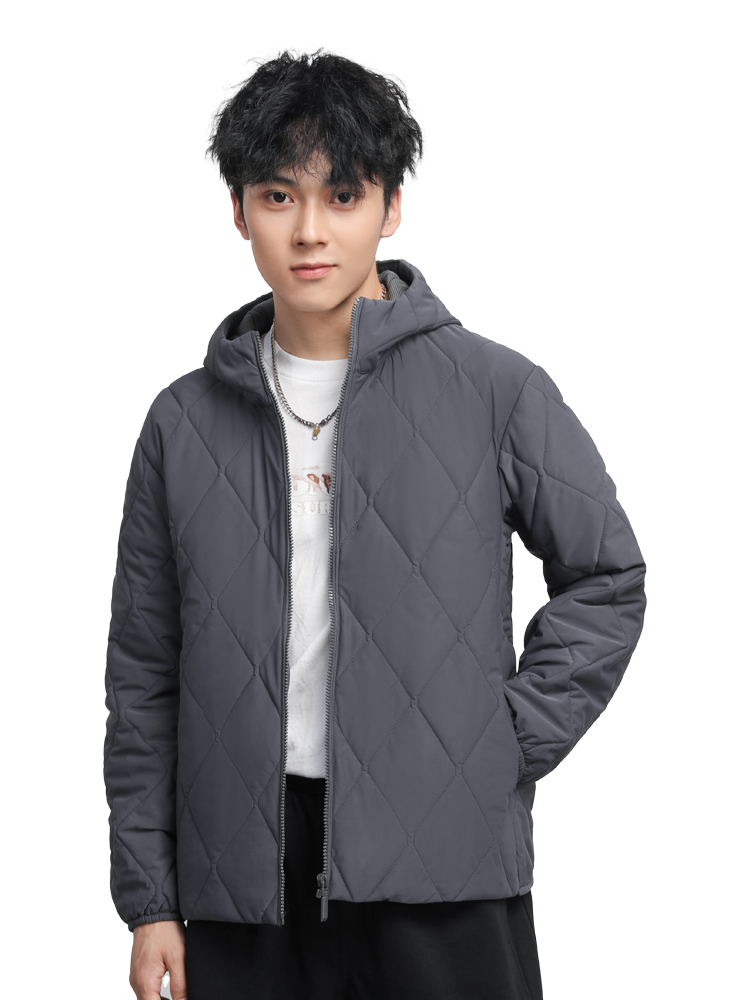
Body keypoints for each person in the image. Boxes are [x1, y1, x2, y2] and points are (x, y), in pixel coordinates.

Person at [103, 48, 647, 1000]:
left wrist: (498, 743)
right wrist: (150, 901)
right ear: (239, 211)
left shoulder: (495, 389)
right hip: (244, 882)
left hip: (445, 869)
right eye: (279, 197)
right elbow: (144, 675)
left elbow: (607, 577)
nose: (310, 230)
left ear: (391, 208)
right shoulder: (182, 422)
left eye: (344, 195)